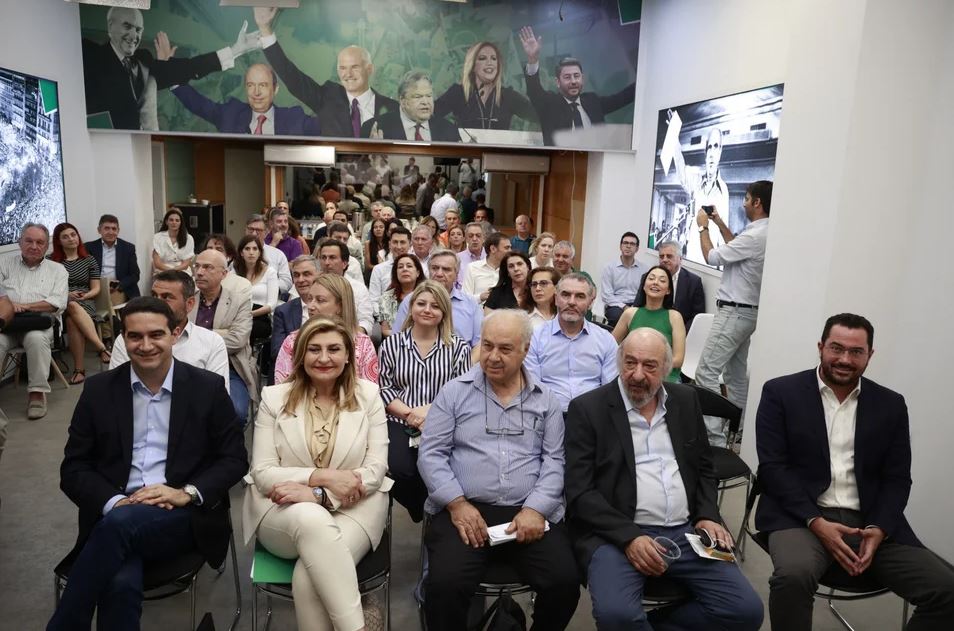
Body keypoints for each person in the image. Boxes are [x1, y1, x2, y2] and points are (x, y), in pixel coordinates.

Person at [49, 297, 247, 630]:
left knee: (119, 528)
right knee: (119, 582)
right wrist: (115, 502)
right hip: (115, 515)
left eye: (156, 335)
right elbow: (74, 468)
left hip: (182, 516)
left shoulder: (207, 388)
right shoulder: (99, 390)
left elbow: (234, 459)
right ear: (123, 339)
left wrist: (185, 493)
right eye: (135, 336)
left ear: (175, 334)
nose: (145, 345)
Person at [755, 313, 954, 630]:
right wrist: (817, 522)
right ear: (820, 347)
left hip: (869, 522)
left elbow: (897, 479)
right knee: (793, 576)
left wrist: (880, 528)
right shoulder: (781, 392)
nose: (845, 359)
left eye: (856, 351)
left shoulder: (891, 405)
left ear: (869, 355)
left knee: (946, 590)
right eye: (836, 348)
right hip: (801, 516)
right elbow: (773, 468)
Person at [564, 328, 764, 631]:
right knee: (617, 616)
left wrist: (708, 515)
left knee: (746, 611)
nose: (637, 374)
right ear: (619, 361)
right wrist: (629, 537)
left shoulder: (685, 400)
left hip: (686, 531)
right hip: (616, 535)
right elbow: (580, 492)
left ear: (668, 368)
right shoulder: (588, 409)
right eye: (630, 363)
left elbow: (704, 467)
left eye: (649, 366)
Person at [418, 309, 580, 629]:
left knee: (564, 583)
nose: (493, 357)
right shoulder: (454, 392)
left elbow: (555, 460)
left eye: (505, 349)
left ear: (526, 349)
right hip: (465, 510)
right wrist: (456, 503)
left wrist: (536, 509)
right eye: (487, 345)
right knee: (445, 586)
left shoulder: (545, 400)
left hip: (527, 512)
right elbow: (431, 454)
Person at [243, 316, 391, 631]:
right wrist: (321, 478)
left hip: (357, 507)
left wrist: (318, 495)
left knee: (308, 577)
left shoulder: (369, 396)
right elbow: (264, 473)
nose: (324, 358)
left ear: (348, 355)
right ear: (301, 356)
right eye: (314, 349)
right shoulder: (274, 398)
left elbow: (375, 470)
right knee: (311, 518)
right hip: (283, 510)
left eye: (334, 349)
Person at [379, 281, 471, 522]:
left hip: (442, 421)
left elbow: (461, 390)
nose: (428, 310)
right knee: (399, 470)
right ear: (411, 308)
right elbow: (384, 388)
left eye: (435, 306)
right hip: (399, 419)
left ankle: (435, 515)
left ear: (444, 312)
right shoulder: (392, 344)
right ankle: (422, 509)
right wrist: (410, 415)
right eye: (421, 304)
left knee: (440, 469)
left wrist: (430, 412)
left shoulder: (458, 347)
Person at [81, 7, 256, 131]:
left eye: (138, 30)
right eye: (127, 26)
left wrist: (235, 50)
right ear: (110, 26)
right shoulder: (88, 53)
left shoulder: (142, 62)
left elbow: (188, 68)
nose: (134, 36)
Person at [694, 180, 772, 446]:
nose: (744, 203)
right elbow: (735, 246)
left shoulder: (755, 235)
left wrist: (703, 227)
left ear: (757, 202)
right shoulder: (762, 232)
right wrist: (718, 223)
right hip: (746, 313)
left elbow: (712, 257)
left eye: (747, 198)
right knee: (735, 378)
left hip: (734, 312)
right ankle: (735, 436)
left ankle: (714, 439)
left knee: (706, 372)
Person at [255, 7, 399, 139]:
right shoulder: (327, 97)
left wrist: (380, 149)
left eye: (354, 67)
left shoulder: (393, 109)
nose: (348, 74)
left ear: (369, 69)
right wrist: (265, 29)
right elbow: (291, 76)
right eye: (342, 68)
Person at [110, 270, 229, 390]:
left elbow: (216, 394)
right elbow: (116, 389)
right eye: (154, 295)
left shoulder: (211, 342)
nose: (157, 303)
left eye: (166, 297)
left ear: (189, 304)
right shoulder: (129, 339)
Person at [518, 27, 635, 146]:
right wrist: (532, 59)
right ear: (558, 82)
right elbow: (534, 91)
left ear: (582, 79)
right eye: (567, 77)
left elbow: (622, 98)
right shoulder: (549, 104)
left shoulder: (593, 101)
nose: (573, 81)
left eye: (576, 76)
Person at [0, 224, 68, 420]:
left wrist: (23, 306)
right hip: (8, 324)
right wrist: (9, 307)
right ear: (20, 242)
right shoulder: (4, 264)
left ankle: (37, 394)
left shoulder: (58, 270)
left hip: (40, 324)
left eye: (40, 242)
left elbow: (57, 303)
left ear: (47, 246)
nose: (34, 246)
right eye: (29, 241)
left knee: (36, 339)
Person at [525, 273, 618, 414]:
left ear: (590, 302)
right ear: (556, 298)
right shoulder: (535, 337)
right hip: (547, 414)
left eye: (580, 296)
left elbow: (610, 389)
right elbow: (533, 388)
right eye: (566, 295)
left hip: (593, 416)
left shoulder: (605, 339)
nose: (572, 302)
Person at [190, 249, 257, 422]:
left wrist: (195, 335)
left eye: (207, 267)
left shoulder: (239, 301)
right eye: (197, 266)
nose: (199, 272)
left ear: (224, 274)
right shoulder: (187, 300)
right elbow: (176, 336)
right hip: (190, 366)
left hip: (231, 367)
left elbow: (237, 340)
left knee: (235, 412)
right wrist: (222, 333)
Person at [274, 274, 378, 384]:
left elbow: (370, 389)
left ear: (340, 306)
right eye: (310, 299)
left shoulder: (363, 344)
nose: (311, 306)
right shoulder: (293, 341)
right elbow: (282, 387)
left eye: (320, 300)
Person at [170, 63, 320, 135]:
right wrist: (168, 71)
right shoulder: (230, 114)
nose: (256, 92)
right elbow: (199, 104)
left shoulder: (295, 119)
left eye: (263, 85)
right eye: (250, 85)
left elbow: (326, 123)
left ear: (275, 89)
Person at [49, 223, 112, 384]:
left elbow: (96, 288)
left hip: (85, 301)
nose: (71, 239)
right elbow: (46, 288)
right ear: (59, 241)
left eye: (73, 234)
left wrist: (85, 296)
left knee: (72, 319)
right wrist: (66, 295)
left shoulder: (89, 260)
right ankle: (101, 348)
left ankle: (79, 370)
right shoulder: (51, 261)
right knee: (70, 305)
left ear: (78, 236)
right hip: (58, 303)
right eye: (65, 237)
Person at [434, 41, 536, 131]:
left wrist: (533, 60)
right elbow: (429, 115)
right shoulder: (458, 93)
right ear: (472, 66)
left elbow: (538, 115)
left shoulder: (508, 96)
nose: (489, 63)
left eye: (494, 59)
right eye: (482, 58)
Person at [393, 250, 483, 349]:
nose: (439, 274)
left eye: (446, 269)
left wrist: (464, 359)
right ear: (429, 271)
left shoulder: (470, 304)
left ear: (456, 275)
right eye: (435, 268)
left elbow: (479, 344)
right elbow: (397, 339)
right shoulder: (412, 300)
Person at [612, 265, 687, 383]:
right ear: (643, 286)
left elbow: (678, 360)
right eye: (651, 278)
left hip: (665, 378)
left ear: (668, 290)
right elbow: (610, 346)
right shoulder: (630, 313)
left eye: (662, 280)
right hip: (632, 375)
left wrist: (650, 367)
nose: (655, 282)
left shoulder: (674, 317)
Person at [670, 126, 728, 264]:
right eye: (709, 147)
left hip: (710, 260)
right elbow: (681, 172)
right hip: (692, 255)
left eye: (716, 146)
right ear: (706, 153)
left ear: (720, 152)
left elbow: (723, 230)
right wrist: (673, 136)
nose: (712, 153)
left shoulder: (723, 190)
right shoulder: (696, 182)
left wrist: (721, 267)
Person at [364, 71, 460, 142]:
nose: (425, 102)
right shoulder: (375, 128)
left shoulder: (449, 130)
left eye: (429, 96)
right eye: (418, 97)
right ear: (403, 101)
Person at [634, 240, 706, 330]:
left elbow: (697, 316)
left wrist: (680, 332)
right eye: (661, 256)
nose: (664, 260)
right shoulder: (647, 277)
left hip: (680, 330)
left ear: (680, 259)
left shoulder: (693, 282)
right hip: (649, 327)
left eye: (669, 256)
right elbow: (638, 305)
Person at [316, 238, 375, 336]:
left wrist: (353, 336)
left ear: (344, 263)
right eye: (323, 258)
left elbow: (366, 321)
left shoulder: (358, 289)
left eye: (332, 258)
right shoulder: (313, 286)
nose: (327, 262)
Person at [84, 214, 140, 307]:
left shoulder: (128, 248)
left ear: (118, 230)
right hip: (96, 287)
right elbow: (85, 273)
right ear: (99, 230)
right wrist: (98, 286)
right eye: (107, 228)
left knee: (111, 303)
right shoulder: (89, 247)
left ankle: (112, 315)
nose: (111, 232)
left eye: (114, 229)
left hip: (119, 288)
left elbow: (135, 275)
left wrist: (119, 285)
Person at [271, 255, 318, 360]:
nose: (300, 280)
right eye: (296, 275)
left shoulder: (331, 306)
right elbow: (277, 352)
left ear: (319, 275)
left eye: (306, 274)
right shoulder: (283, 311)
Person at [234, 235, 279, 344]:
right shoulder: (234, 272)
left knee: (247, 329)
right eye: (247, 249)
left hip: (260, 316)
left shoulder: (270, 272)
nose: (251, 252)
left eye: (255, 249)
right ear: (241, 253)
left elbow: (271, 305)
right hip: (237, 315)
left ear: (259, 253)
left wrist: (250, 314)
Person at [601, 231, 645, 328]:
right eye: (625, 243)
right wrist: (624, 307)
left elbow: (644, 293)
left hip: (636, 305)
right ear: (620, 246)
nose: (628, 246)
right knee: (617, 317)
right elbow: (606, 295)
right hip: (615, 305)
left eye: (632, 244)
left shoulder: (644, 269)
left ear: (637, 249)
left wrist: (635, 306)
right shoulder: (609, 268)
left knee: (643, 318)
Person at [377, 253, 424, 338]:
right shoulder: (387, 297)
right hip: (395, 341)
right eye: (400, 267)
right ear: (396, 273)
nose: (404, 269)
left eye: (409, 266)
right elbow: (385, 331)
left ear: (418, 273)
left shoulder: (427, 295)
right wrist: (406, 337)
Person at [246, 214, 293, 294]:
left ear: (266, 232)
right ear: (245, 230)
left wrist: (264, 288)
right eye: (251, 229)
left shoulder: (278, 255)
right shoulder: (238, 254)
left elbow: (286, 282)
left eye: (258, 230)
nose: (254, 234)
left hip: (269, 297)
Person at [368, 226, 412, 308]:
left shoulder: (418, 268)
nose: (398, 247)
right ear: (389, 244)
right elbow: (373, 300)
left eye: (402, 242)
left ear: (410, 244)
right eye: (395, 242)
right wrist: (384, 315)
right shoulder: (378, 270)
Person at [462, 231, 511, 304]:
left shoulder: (510, 270)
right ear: (493, 249)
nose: (510, 251)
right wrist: (480, 297)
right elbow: (464, 298)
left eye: (510, 247)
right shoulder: (472, 268)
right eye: (507, 248)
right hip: (478, 309)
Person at [152, 207, 194, 276]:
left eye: (177, 220)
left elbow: (186, 264)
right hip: (162, 270)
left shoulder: (189, 238)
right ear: (166, 222)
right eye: (171, 220)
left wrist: (174, 270)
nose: (174, 222)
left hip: (182, 271)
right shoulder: (158, 237)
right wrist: (169, 271)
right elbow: (157, 263)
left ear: (181, 223)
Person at [327, 221, 366, 285]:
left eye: (345, 239)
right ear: (329, 237)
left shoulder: (354, 263)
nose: (342, 241)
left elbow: (359, 287)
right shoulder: (318, 258)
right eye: (338, 238)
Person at [527, 266, 560, 330]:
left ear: (556, 287)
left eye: (543, 283)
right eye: (534, 284)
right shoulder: (523, 317)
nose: (537, 289)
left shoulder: (563, 314)